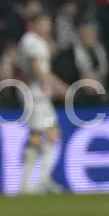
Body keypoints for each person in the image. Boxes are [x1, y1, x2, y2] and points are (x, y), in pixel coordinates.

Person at [18, 13, 66, 195]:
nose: (46, 27)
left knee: (52, 134)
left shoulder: (41, 42)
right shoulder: (30, 40)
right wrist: (58, 85)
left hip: (41, 95)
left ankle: (43, 179)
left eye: (48, 23)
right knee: (37, 135)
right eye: (43, 23)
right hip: (33, 93)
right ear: (34, 24)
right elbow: (37, 69)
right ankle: (25, 184)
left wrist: (54, 85)